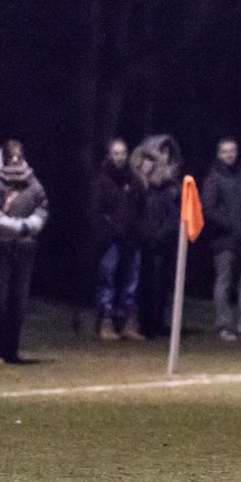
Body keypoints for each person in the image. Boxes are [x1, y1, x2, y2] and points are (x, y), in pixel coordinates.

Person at [0, 140, 49, 364]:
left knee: (19, 299)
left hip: (25, 247)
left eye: (19, 156)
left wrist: (32, 223)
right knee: (2, 298)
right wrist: (7, 224)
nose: (16, 160)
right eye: (12, 156)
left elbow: (42, 203)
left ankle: (12, 350)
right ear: (5, 157)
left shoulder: (31, 180)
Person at [201, 138, 241, 341]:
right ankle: (223, 325)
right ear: (219, 154)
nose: (229, 155)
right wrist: (231, 226)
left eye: (232, 151)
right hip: (224, 241)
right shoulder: (213, 178)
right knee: (224, 283)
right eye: (225, 151)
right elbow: (208, 210)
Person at [89, 138, 144, 341]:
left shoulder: (133, 179)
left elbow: (139, 207)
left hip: (131, 238)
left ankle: (128, 322)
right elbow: (97, 212)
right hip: (110, 240)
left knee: (131, 282)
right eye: (116, 153)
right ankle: (106, 321)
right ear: (110, 155)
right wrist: (110, 231)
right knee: (108, 280)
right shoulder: (102, 180)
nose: (120, 157)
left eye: (123, 153)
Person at [132, 135, 184, 339]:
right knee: (145, 283)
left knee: (162, 284)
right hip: (145, 241)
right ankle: (144, 323)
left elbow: (175, 215)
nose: (164, 157)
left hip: (164, 241)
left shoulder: (172, 186)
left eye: (167, 153)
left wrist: (168, 233)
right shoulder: (141, 185)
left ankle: (158, 322)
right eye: (160, 152)